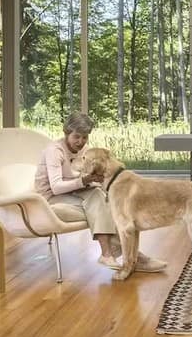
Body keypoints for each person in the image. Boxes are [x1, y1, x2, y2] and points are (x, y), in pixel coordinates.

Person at [35, 111, 166, 272]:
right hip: (50, 197)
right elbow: (56, 187)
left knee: (109, 202)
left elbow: (81, 175)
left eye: (84, 137)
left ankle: (126, 256)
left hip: (73, 192)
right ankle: (124, 256)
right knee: (103, 206)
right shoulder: (55, 151)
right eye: (76, 136)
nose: (81, 141)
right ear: (66, 133)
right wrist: (84, 180)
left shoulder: (85, 150)